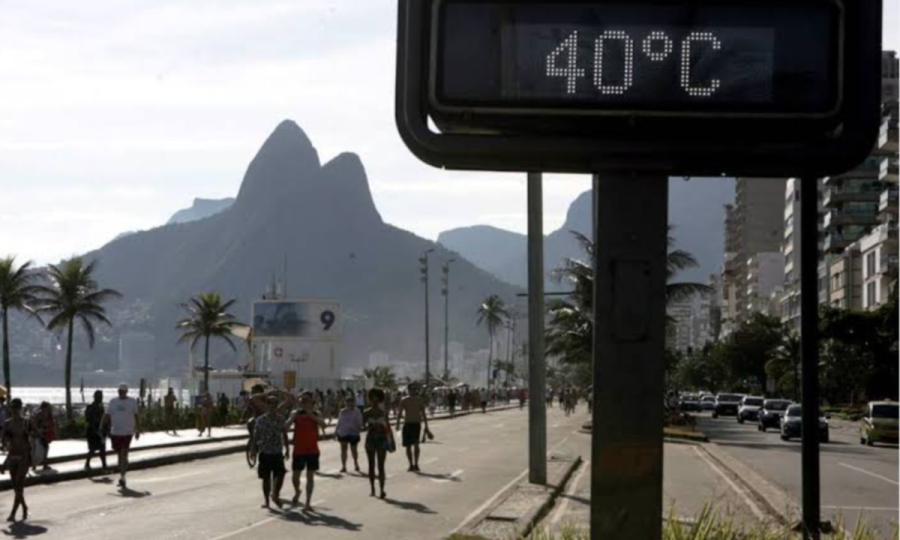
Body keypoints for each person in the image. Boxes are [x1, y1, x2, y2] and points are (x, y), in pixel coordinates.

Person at [285, 391, 326, 509]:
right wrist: (293, 417)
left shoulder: (316, 413)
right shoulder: (296, 413)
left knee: (310, 477)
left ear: (311, 402)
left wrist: (310, 415)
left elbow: (323, 425)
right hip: (299, 450)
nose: (304, 403)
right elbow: (286, 427)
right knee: (295, 478)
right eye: (302, 400)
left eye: (306, 400)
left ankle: (308, 502)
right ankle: (297, 491)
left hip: (312, 450)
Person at [252, 396, 289, 509]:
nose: (272, 406)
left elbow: (284, 433)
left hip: (277, 452)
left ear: (277, 406)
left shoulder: (281, 419)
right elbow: (256, 435)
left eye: (274, 404)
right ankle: (267, 501)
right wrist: (253, 449)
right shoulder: (260, 420)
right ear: (267, 405)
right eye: (270, 404)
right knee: (266, 478)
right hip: (265, 452)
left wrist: (287, 448)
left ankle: (275, 494)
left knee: (280, 474)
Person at [103, 384, 141, 490]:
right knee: (120, 455)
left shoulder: (132, 402)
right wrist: (101, 426)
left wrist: (138, 429)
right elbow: (107, 415)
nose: (121, 393)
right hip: (115, 432)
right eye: (120, 391)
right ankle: (122, 472)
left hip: (128, 432)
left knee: (124, 454)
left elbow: (136, 416)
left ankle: (123, 477)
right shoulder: (113, 402)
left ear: (126, 392)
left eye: (123, 391)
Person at [1, 398, 31, 522]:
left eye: (16, 407)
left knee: (19, 486)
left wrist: (29, 435)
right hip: (12, 456)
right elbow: (3, 441)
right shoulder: (7, 423)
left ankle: (13, 513)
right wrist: (5, 440)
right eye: (12, 407)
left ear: (20, 408)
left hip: (24, 457)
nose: (14, 410)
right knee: (15, 487)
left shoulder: (26, 422)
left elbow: (37, 434)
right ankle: (24, 507)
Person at [363, 388, 392, 499]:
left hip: (381, 439)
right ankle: (372, 489)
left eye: (376, 399)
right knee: (371, 465)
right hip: (370, 439)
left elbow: (388, 427)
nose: (374, 401)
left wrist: (390, 442)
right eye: (372, 398)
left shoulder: (383, 413)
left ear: (379, 399)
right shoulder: (366, 413)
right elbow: (362, 426)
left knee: (381, 466)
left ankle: (381, 489)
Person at [397, 383, 429, 472]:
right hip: (407, 424)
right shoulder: (404, 400)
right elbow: (399, 413)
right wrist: (397, 424)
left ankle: (416, 464)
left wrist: (426, 426)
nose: (413, 391)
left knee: (416, 445)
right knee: (408, 446)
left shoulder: (419, 400)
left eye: (414, 389)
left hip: (416, 424)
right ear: (408, 390)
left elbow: (423, 414)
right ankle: (411, 464)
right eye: (411, 389)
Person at [335, 394, 363, 473]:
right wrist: (336, 431)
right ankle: (344, 466)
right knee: (343, 450)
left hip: (353, 433)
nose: (349, 403)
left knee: (354, 450)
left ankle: (356, 463)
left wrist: (357, 429)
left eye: (351, 401)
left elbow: (360, 422)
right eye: (348, 402)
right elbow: (339, 422)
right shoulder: (342, 412)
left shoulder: (357, 411)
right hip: (343, 432)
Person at [84, 390, 108, 471]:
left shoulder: (101, 407)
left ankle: (104, 465)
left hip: (100, 430)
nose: (100, 398)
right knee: (92, 449)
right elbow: (88, 419)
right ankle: (87, 464)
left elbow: (104, 419)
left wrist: (105, 429)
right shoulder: (90, 407)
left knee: (102, 449)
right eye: (99, 396)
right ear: (95, 397)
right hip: (92, 430)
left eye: (101, 396)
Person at [31, 402, 54, 472]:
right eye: (46, 407)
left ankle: (45, 464)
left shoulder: (48, 414)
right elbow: (34, 425)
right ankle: (34, 466)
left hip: (45, 434)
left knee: (45, 449)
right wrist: (39, 431)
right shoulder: (38, 415)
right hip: (38, 434)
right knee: (37, 450)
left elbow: (51, 423)